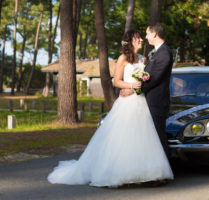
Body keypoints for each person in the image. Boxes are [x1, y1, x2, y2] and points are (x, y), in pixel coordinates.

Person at [47, 30, 173, 188]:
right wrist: (132, 85)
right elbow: (116, 81)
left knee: (143, 137)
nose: (141, 40)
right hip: (127, 103)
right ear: (130, 41)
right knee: (123, 138)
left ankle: (143, 172)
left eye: (142, 37)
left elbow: (147, 80)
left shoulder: (144, 59)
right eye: (138, 38)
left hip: (141, 102)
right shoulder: (123, 59)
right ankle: (119, 172)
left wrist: (136, 89)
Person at [120, 23, 173, 157]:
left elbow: (153, 79)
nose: (145, 37)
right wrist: (131, 86)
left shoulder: (164, 53)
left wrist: (132, 89)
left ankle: (163, 173)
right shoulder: (156, 53)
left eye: (147, 34)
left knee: (158, 138)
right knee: (147, 138)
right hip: (145, 101)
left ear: (154, 34)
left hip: (156, 101)